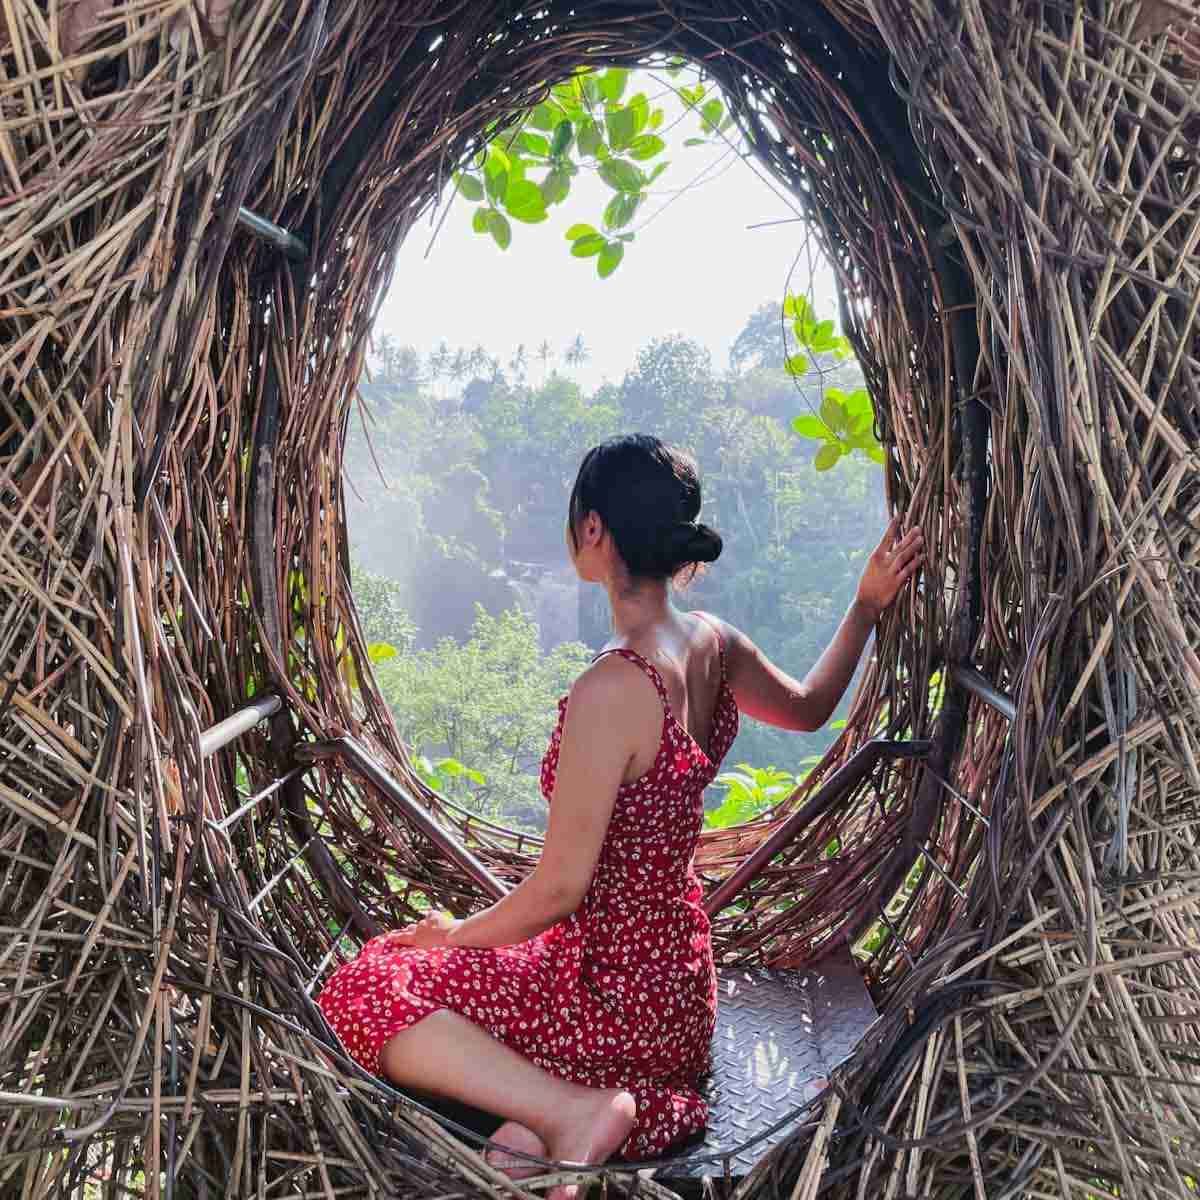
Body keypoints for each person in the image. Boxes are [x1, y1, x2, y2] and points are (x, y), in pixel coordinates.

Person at [317, 434, 923, 1196]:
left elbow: (559, 890)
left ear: (594, 531)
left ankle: (571, 1113)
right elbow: (809, 709)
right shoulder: (712, 643)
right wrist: (866, 607)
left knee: (369, 986)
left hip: (613, 998)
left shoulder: (613, 688)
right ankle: (527, 1128)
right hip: (676, 987)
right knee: (429, 977)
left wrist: (454, 938)